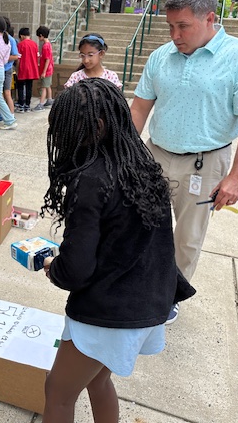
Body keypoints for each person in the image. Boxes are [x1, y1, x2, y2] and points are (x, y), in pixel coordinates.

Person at [40, 79, 195, 423]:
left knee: (58, 393)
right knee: (97, 379)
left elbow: (76, 269)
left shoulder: (90, 178)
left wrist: (54, 266)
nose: (62, 140)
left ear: (96, 128)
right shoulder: (139, 160)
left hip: (111, 310)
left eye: (66, 130)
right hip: (149, 299)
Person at [130, 0, 238, 323]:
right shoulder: (161, 56)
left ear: (210, 19)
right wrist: (123, 153)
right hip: (155, 155)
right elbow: (139, 108)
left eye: (183, 26)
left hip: (205, 164)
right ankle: (139, 282)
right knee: (139, 223)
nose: (175, 35)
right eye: (170, 26)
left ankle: (168, 296)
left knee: (187, 238)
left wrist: (236, 176)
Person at [15, 27, 39, 112]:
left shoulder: (20, 45)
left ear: (21, 36)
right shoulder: (35, 44)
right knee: (29, 87)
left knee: (20, 87)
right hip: (32, 69)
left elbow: (18, 58)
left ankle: (21, 105)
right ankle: (27, 105)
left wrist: (17, 69)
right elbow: (37, 56)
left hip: (23, 68)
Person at [34, 25, 54, 111]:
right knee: (48, 85)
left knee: (43, 87)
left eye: (38, 36)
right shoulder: (48, 44)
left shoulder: (45, 46)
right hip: (50, 69)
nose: (38, 38)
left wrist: (43, 72)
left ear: (41, 35)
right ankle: (49, 99)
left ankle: (41, 104)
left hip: (46, 70)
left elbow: (47, 59)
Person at [2, 17, 19, 116]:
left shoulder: (11, 40)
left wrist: (3, 58)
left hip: (7, 69)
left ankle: (11, 115)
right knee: (0, 95)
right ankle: (4, 114)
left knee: (7, 93)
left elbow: (15, 56)